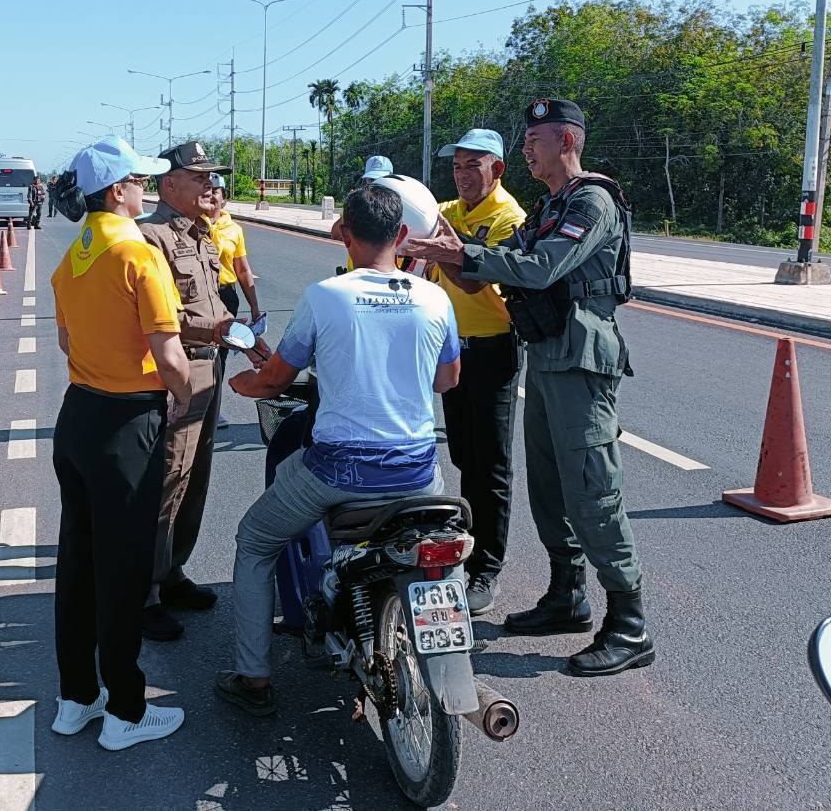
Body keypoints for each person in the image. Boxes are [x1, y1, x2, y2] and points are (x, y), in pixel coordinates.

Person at [402, 98, 650, 677]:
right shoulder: (551, 205)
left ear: (567, 141)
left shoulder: (591, 201)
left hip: (582, 362)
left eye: (535, 140)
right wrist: (450, 252)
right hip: (547, 357)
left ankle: (630, 623)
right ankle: (568, 594)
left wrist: (462, 252)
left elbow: (540, 268)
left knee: (593, 488)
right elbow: (500, 261)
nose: (527, 150)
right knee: (549, 485)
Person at [215, 183, 461, 715]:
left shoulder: (326, 296)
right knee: (444, 541)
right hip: (419, 472)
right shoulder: (435, 298)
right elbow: (447, 380)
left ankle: (253, 678)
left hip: (337, 473)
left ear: (345, 234)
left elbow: (275, 380)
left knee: (255, 539)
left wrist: (239, 384)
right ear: (402, 235)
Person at [47, 136, 192, 751]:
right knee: (124, 569)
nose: (146, 189)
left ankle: (76, 698)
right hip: (127, 423)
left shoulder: (74, 255)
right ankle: (127, 712)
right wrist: (183, 397)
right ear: (116, 192)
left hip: (78, 415)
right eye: (139, 181)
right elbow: (170, 355)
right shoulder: (137, 254)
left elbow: (65, 341)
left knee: (78, 563)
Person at [138, 141, 268, 641]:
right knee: (169, 476)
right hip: (178, 369)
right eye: (200, 177)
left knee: (196, 475)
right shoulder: (151, 237)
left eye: (212, 177)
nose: (211, 185)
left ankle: (173, 572)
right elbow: (162, 317)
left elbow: (214, 305)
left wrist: (244, 338)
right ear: (169, 184)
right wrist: (217, 332)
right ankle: (146, 592)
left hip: (210, 364)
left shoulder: (203, 233)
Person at [429, 129, 527, 614]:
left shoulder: (510, 218)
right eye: (456, 166)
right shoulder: (448, 212)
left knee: (490, 464)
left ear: (497, 169)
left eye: (473, 165)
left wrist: (443, 251)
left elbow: (473, 283)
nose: (463, 175)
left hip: (492, 350)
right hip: (452, 350)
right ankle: (468, 539)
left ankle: (486, 568)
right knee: (464, 454)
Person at [206, 175, 262, 430]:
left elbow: (243, 270)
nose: (211, 195)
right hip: (199, 296)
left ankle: (213, 408)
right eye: (207, 189)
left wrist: (254, 306)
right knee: (197, 352)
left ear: (224, 198)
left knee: (220, 354)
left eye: (216, 191)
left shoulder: (234, 230)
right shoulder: (192, 224)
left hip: (226, 296)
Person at [327, 154, 394, 243]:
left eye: (381, 178)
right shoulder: (361, 204)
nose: (376, 183)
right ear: (366, 180)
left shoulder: (400, 204)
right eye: (372, 179)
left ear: (391, 178)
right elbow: (335, 235)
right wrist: (350, 209)